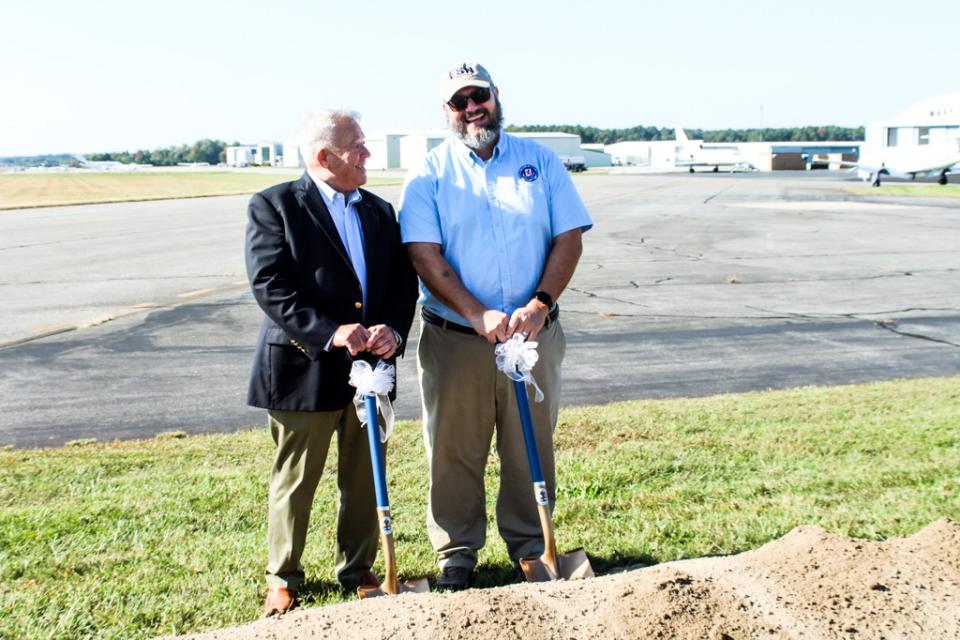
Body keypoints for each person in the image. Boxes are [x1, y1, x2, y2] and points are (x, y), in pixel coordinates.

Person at [398, 62, 593, 590]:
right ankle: (456, 552)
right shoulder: (430, 173)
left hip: (534, 334)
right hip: (458, 339)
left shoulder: (539, 161)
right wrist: (477, 313)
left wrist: (540, 304)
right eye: (458, 102)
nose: (471, 109)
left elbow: (569, 237)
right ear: (447, 111)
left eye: (477, 96)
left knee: (529, 443)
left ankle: (532, 545)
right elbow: (423, 253)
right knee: (453, 447)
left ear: (495, 95)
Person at [245, 109, 418, 615]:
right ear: (325, 157)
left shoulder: (380, 211)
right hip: (304, 368)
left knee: (366, 473)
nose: (368, 154)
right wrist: (330, 332)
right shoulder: (274, 206)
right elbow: (270, 286)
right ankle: (284, 576)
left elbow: (402, 285)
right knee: (296, 479)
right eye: (358, 146)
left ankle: (358, 565)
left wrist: (394, 329)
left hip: (372, 371)